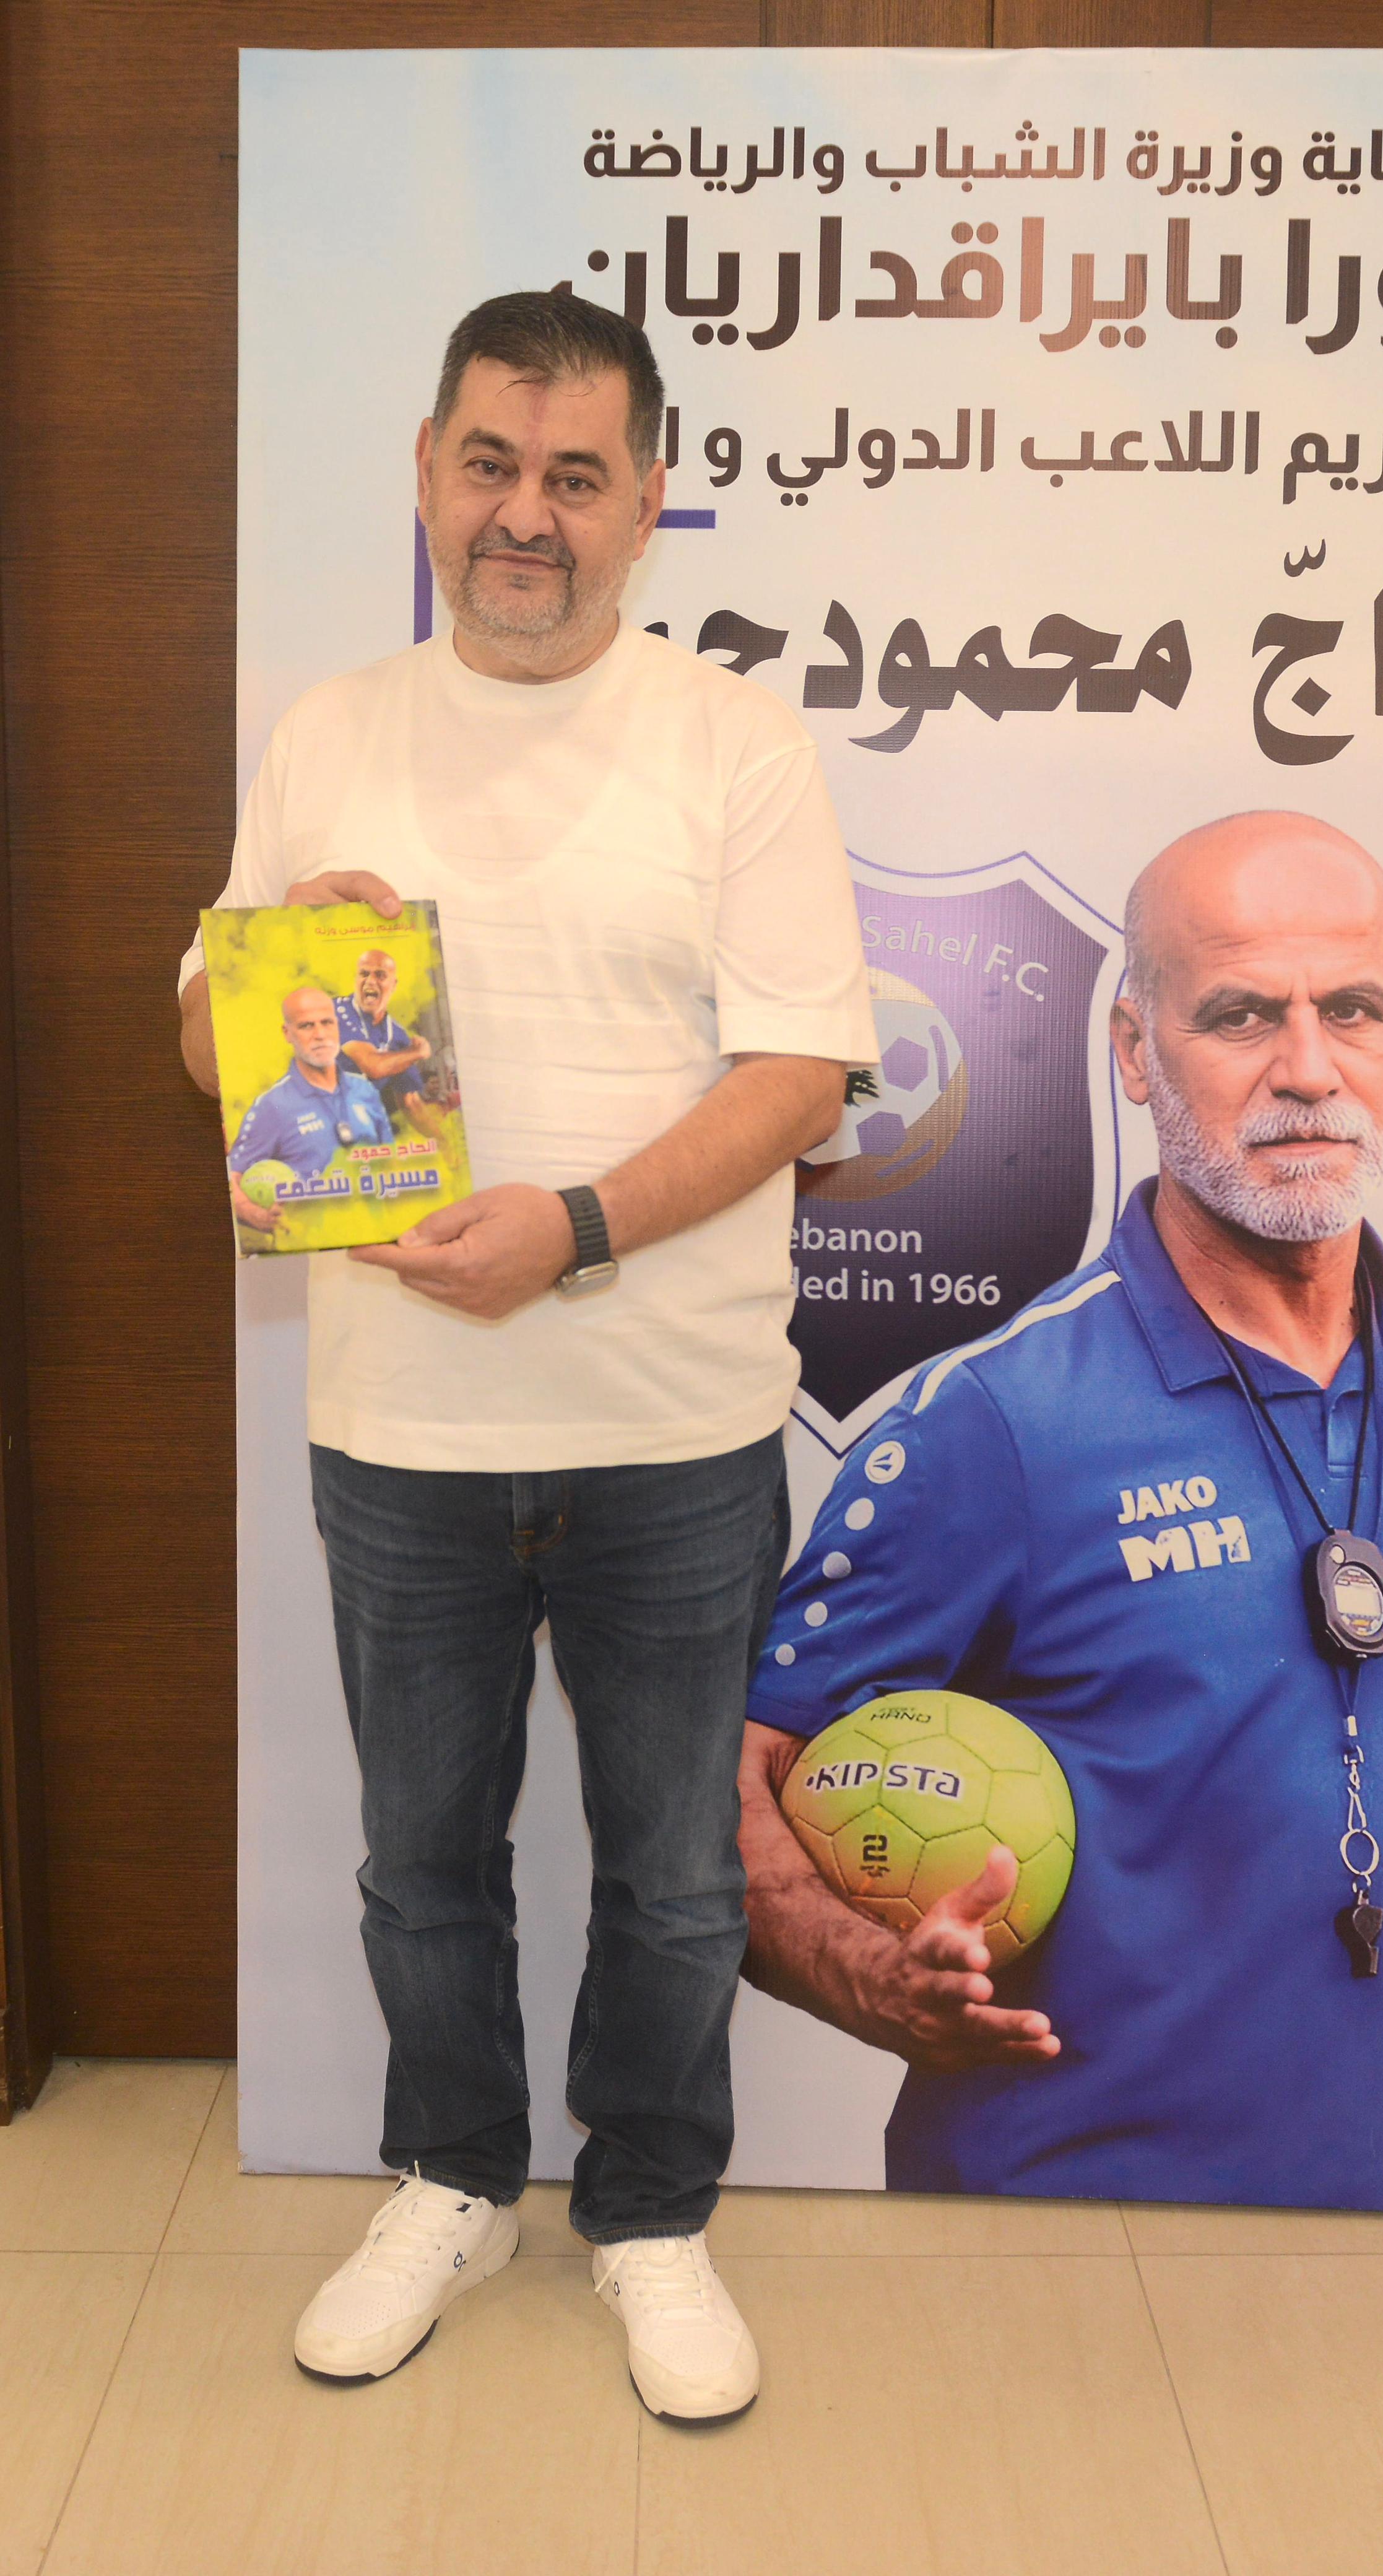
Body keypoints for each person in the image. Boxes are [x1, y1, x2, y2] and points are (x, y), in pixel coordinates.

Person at [178, 290, 876, 2413]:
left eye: (576, 476)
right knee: (421, 1863)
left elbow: (801, 1077)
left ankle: (647, 2213)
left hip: (672, 1423)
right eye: (490, 464)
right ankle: (453, 2178)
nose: (526, 516)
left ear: (647, 500)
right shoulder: (329, 732)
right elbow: (202, 1027)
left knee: (674, 1881)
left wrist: (571, 1229)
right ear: (424, 470)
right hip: (398, 1422)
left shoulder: (732, 742)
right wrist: (270, 1011)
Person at [739, 811, 1383, 2224]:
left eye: (1351, 1010)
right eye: (1239, 1015)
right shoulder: (997, 1419)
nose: (1308, 1069)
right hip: (1054, 2255)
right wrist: (865, 1977)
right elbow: (731, 1777)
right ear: (1133, 1048)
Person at [227, 985, 394, 1237]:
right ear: (287, 1033)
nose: (320, 1035)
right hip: (313, 1242)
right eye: (306, 1026)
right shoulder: (272, 1106)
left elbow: (390, 1161)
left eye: (327, 1023)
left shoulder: (365, 1090)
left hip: (377, 1233)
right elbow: (233, 1175)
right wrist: (256, 1215)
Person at [335, 947, 445, 1137]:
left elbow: (411, 1103)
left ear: (393, 984)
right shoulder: (337, 1011)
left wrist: (444, 1145)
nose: (370, 981)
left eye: (380, 975)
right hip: (315, 1120)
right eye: (364, 974)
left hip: (358, 1127)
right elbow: (373, 1066)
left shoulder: (398, 1035)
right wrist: (417, 1053)